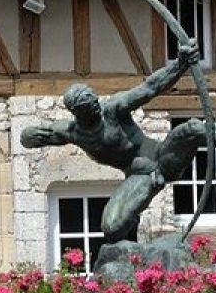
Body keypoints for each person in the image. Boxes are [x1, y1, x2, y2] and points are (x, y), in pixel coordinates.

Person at [18, 45, 199, 248]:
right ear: (78, 113)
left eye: (95, 102)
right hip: (139, 175)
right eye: (90, 107)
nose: (97, 107)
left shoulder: (114, 109)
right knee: (111, 228)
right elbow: (30, 138)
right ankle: (132, 251)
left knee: (193, 129)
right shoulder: (72, 132)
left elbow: (150, 87)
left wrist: (181, 64)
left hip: (162, 157)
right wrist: (28, 136)